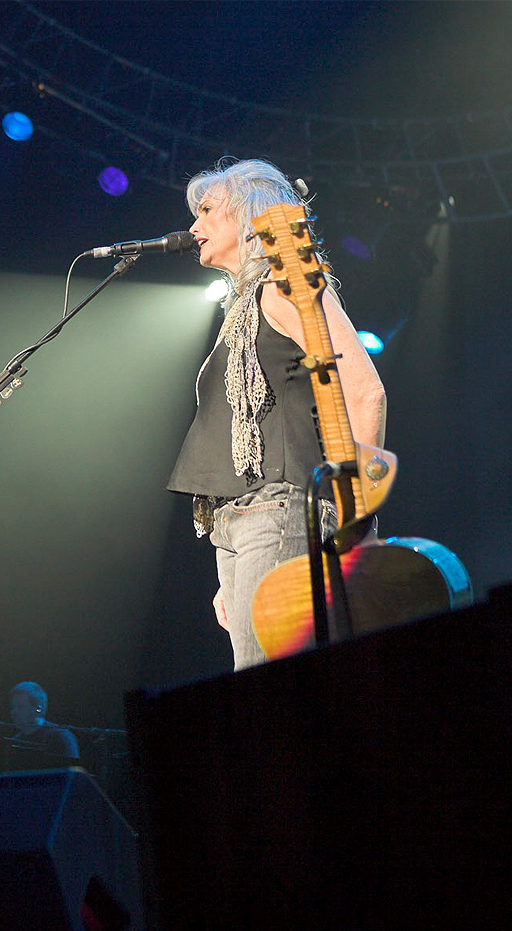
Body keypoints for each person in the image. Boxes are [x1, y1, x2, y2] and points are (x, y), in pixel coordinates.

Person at [167, 158, 387, 671]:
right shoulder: (240, 309)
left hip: (281, 508)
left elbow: (364, 390)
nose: (193, 227)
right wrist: (230, 574)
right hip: (239, 519)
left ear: (248, 216)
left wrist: (357, 514)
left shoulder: (286, 285)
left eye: (206, 211)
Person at [6, 681, 79, 767]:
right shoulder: (15, 741)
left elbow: (70, 776)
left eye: (20, 707)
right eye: (13, 707)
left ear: (38, 709)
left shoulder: (60, 736)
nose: (14, 712)